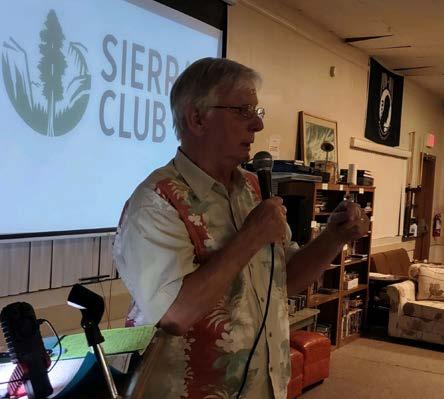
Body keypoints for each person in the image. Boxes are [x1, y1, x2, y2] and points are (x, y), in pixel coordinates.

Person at [112, 57, 369, 398]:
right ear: (197, 118)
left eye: (256, 111)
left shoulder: (252, 188)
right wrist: (251, 236)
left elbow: (283, 280)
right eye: (242, 111)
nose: (257, 125)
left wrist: (335, 237)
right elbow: (175, 314)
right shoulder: (156, 202)